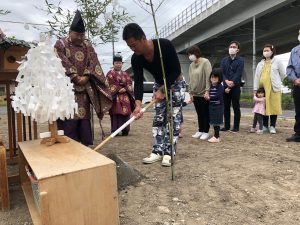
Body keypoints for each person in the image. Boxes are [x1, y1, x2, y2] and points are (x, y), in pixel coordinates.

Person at [122, 23, 185, 167]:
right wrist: (137, 105)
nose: (133, 49)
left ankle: (169, 153)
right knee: (158, 118)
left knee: (173, 118)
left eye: (134, 45)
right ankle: (157, 151)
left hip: (175, 83)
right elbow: (138, 82)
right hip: (158, 84)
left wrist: (164, 90)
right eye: (129, 46)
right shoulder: (136, 58)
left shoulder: (164, 45)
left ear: (143, 38)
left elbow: (176, 70)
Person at [54, 10, 112, 146]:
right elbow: (59, 60)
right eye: (77, 34)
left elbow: (93, 62)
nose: (80, 38)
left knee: (84, 116)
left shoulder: (88, 46)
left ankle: (85, 146)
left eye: (82, 35)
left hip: (84, 88)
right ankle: (67, 146)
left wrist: (86, 75)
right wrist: (74, 75)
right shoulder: (60, 44)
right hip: (66, 89)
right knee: (69, 117)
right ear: (70, 32)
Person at [253, 44, 286, 134]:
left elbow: (283, 74)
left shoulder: (277, 61)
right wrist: (255, 89)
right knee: (264, 107)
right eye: (264, 50)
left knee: (273, 107)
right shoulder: (260, 63)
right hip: (262, 89)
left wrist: (278, 82)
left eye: (267, 50)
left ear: (272, 51)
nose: (265, 52)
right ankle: (264, 126)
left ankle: (272, 126)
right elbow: (256, 76)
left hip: (273, 88)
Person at [187, 45, 212, 140]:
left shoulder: (205, 62)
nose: (190, 56)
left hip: (203, 93)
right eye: (189, 55)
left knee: (205, 112)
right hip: (195, 93)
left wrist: (207, 91)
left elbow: (208, 77)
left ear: (196, 53)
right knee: (199, 113)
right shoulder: (191, 65)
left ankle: (206, 131)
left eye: (191, 54)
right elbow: (190, 79)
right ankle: (200, 130)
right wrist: (190, 92)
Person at [106, 54, 135, 136]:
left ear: (122, 64)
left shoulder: (125, 74)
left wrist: (125, 88)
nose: (118, 64)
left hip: (125, 96)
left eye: (119, 63)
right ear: (113, 63)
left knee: (126, 113)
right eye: (116, 63)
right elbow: (109, 83)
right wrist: (118, 89)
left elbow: (129, 82)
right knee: (115, 112)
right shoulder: (110, 74)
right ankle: (115, 130)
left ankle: (125, 130)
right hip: (115, 97)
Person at [220, 41, 244, 133]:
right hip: (225, 86)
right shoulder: (224, 60)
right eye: (230, 46)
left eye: (234, 47)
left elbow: (238, 74)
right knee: (226, 107)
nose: (232, 48)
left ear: (237, 49)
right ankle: (226, 126)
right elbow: (222, 72)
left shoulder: (241, 60)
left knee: (236, 107)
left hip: (235, 87)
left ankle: (236, 127)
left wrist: (231, 84)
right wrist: (226, 81)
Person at [286, 30, 300, 142]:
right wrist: (295, 79)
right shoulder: (294, 50)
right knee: (298, 110)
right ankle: (298, 133)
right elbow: (289, 68)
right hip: (298, 84)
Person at [206, 68, 224, 143]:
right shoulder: (211, 86)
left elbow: (218, 96)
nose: (213, 79)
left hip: (218, 107)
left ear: (219, 78)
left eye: (215, 77)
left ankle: (216, 136)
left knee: (216, 122)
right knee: (213, 121)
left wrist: (209, 97)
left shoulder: (220, 86)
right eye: (212, 77)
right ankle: (216, 136)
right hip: (212, 106)